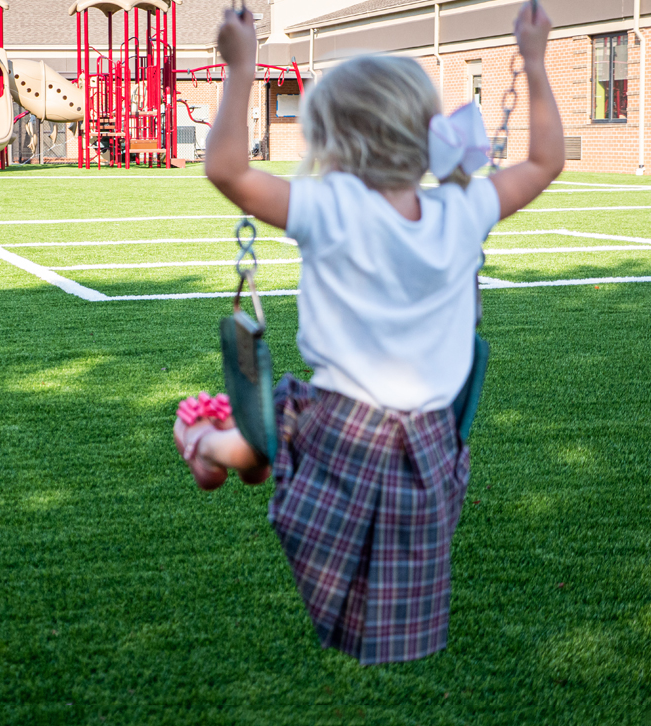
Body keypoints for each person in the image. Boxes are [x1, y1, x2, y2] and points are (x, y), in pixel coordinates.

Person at [173, 2, 564, 664]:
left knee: (284, 419)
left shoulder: (328, 208)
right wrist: (531, 60)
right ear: (430, 137)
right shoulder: (464, 207)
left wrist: (239, 70)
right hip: (431, 445)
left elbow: (227, 171)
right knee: (292, 421)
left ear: (326, 142)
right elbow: (546, 161)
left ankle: (210, 445)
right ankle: (241, 449)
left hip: (340, 431)